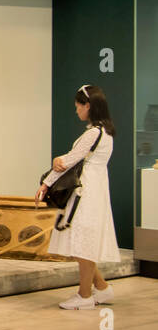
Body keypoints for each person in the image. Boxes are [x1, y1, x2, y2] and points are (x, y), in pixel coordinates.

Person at [37, 83, 119, 309]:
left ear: (88, 106)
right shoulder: (106, 133)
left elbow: (69, 160)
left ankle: (84, 296)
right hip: (96, 190)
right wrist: (60, 159)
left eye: (78, 107)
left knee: (82, 244)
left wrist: (46, 182)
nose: (76, 111)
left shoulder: (93, 133)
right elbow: (75, 157)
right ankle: (102, 288)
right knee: (82, 243)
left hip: (86, 193)